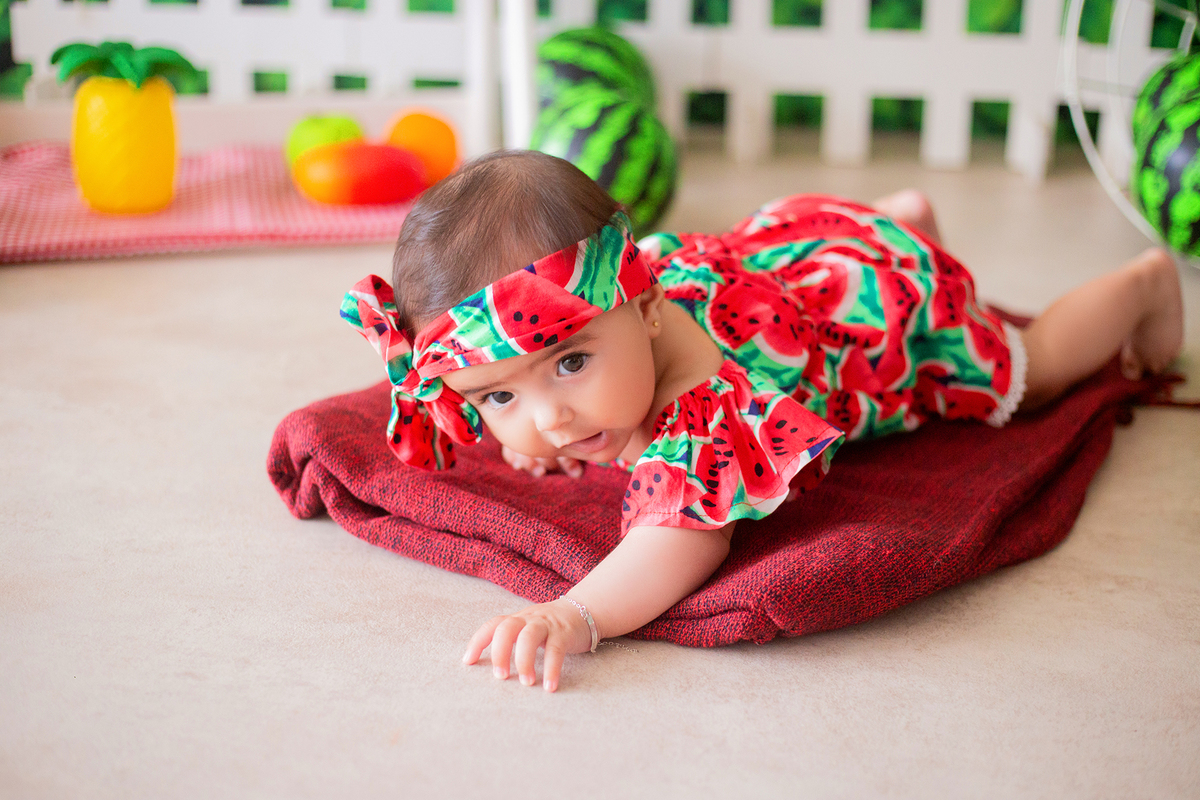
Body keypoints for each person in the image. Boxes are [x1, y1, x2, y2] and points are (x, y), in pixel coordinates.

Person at [341, 150, 1184, 692]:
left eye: (569, 364)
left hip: (873, 324)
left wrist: (577, 612)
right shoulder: (625, 317)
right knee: (839, 255)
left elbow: (686, 535)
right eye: (500, 397)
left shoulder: (710, 416)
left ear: (646, 307)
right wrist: (545, 412)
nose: (551, 417)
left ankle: (1140, 283)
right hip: (792, 257)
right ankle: (893, 223)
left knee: (1026, 379)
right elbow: (544, 395)